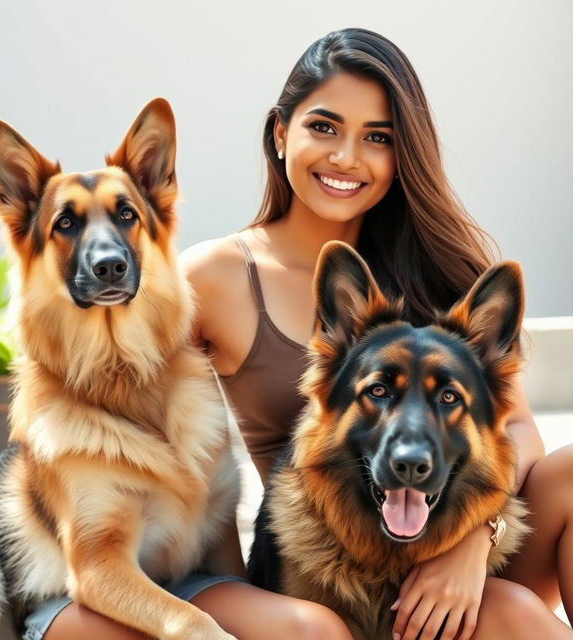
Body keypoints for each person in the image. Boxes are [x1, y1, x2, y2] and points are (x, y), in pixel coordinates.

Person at [29, 28, 573, 640]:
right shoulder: (215, 277)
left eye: (377, 138)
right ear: (281, 132)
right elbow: (98, 384)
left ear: (403, 154)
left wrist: (476, 538)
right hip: (321, 564)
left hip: (451, 541)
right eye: (324, 127)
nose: (346, 157)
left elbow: (518, 428)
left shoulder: (440, 263)